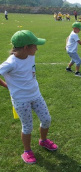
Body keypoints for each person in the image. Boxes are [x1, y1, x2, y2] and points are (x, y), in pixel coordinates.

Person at [0, 30, 58, 164]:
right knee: (27, 126)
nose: (37, 48)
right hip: (21, 100)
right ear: (26, 47)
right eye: (35, 45)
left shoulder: (30, 55)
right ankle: (27, 151)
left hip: (36, 95)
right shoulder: (11, 63)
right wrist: (6, 85)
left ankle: (43, 141)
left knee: (46, 119)